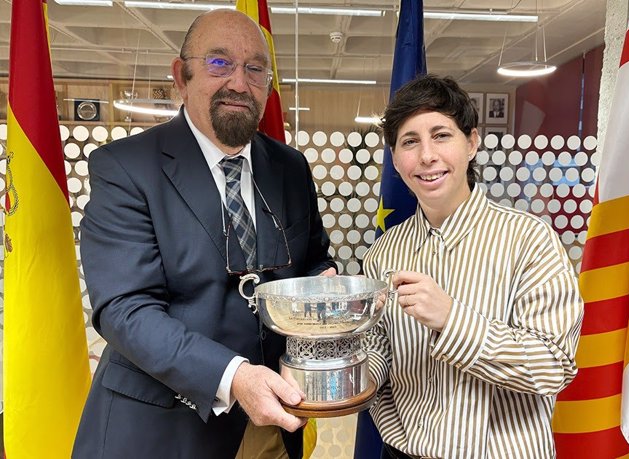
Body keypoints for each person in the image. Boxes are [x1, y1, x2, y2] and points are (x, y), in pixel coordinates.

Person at [73, 9, 336, 459]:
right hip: (163, 426)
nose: (239, 82)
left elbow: (312, 257)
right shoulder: (125, 167)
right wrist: (232, 376)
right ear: (182, 75)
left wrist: (323, 280)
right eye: (219, 63)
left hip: (270, 422)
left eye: (255, 68)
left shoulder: (290, 169)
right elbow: (125, 309)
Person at [363, 75, 583, 459]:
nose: (427, 155)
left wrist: (452, 320)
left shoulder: (529, 241)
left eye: (441, 135)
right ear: (396, 161)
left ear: (472, 143)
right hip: (403, 453)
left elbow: (553, 367)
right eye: (410, 141)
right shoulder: (383, 253)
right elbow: (381, 350)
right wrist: (342, 368)